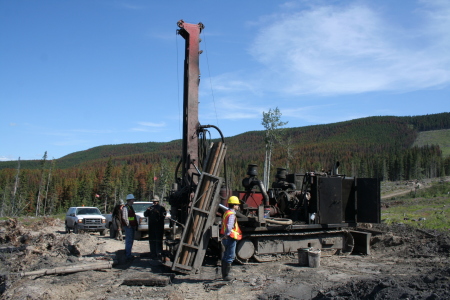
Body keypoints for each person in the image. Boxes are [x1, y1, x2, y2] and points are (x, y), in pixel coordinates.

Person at [220, 195, 242, 281]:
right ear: (234, 205)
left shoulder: (227, 212)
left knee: (225, 256)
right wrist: (228, 234)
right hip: (230, 237)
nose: (238, 206)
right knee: (230, 256)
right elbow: (229, 227)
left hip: (226, 237)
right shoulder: (232, 214)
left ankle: (224, 275)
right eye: (237, 204)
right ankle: (226, 276)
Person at [122, 194, 137, 261]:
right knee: (129, 241)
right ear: (130, 200)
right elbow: (125, 217)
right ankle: (128, 255)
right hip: (129, 227)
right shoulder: (126, 208)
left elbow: (133, 217)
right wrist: (128, 225)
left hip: (132, 226)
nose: (133, 200)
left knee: (131, 241)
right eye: (133, 199)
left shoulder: (131, 207)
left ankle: (129, 254)